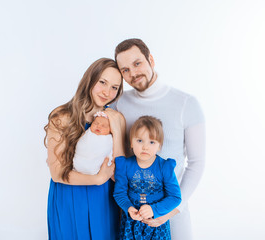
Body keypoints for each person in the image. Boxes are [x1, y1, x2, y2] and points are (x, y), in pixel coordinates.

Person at [112, 39, 205, 240]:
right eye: (125, 70)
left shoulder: (187, 104)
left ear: (151, 60)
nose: (133, 73)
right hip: (134, 218)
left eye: (137, 63)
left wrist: (168, 212)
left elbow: (197, 164)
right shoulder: (119, 104)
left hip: (174, 213)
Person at [44, 58, 126, 240]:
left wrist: (117, 127)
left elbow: (121, 172)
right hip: (70, 196)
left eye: (114, 87)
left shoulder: (116, 118)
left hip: (105, 200)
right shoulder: (62, 117)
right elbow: (57, 173)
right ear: (90, 79)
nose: (107, 92)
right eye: (102, 82)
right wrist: (97, 179)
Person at [114, 116, 181, 240]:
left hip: (156, 224)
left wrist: (154, 210)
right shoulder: (125, 165)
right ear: (131, 142)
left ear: (159, 146)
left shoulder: (164, 167)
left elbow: (175, 197)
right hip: (131, 222)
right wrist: (129, 208)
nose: (145, 147)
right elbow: (119, 193)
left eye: (151, 142)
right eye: (140, 141)